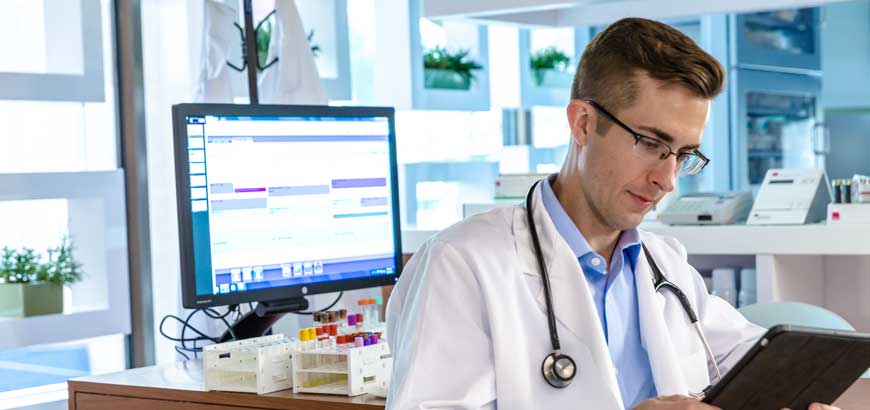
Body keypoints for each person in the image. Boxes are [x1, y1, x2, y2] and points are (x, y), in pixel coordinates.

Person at [385, 17, 841, 410]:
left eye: (683, 154)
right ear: (583, 122)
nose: (668, 180)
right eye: (650, 144)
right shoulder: (463, 264)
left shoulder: (664, 264)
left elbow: (749, 356)